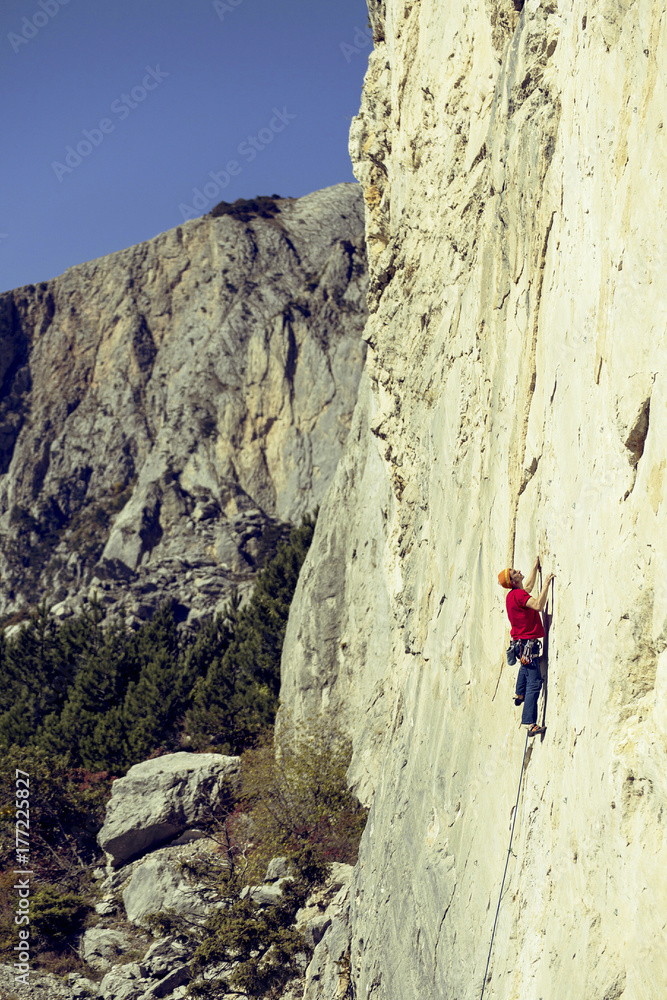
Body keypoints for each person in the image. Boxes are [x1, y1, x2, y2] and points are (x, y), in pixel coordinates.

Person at [498, 557, 555, 737]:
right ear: (513, 581)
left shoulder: (513, 595)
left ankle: (519, 694)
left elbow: (528, 587)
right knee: (535, 683)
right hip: (527, 645)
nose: (518, 571)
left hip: (520, 645)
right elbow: (538, 605)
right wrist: (546, 584)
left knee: (524, 667)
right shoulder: (520, 595)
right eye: (515, 572)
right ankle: (530, 724)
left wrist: (534, 568)